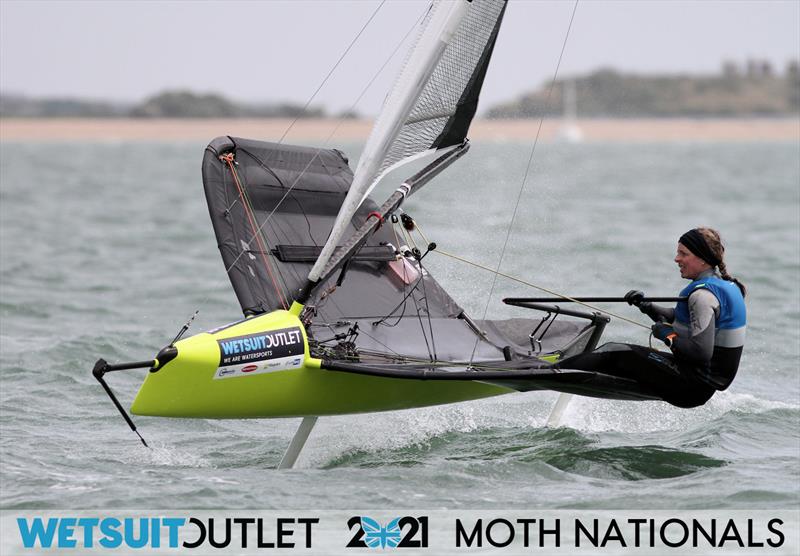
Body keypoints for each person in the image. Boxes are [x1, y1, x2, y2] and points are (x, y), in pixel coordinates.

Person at [559, 227, 746, 408]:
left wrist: (668, 335)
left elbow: (700, 353)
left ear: (703, 259)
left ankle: (549, 370)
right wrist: (647, 306)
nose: (676, 259)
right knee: (619, 356)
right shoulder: (723, 286)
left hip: (691, 386)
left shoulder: (703, 296)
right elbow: (682, 319)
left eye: (683, 254)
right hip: (698, 384)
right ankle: (562, 368)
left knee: (614, 351)